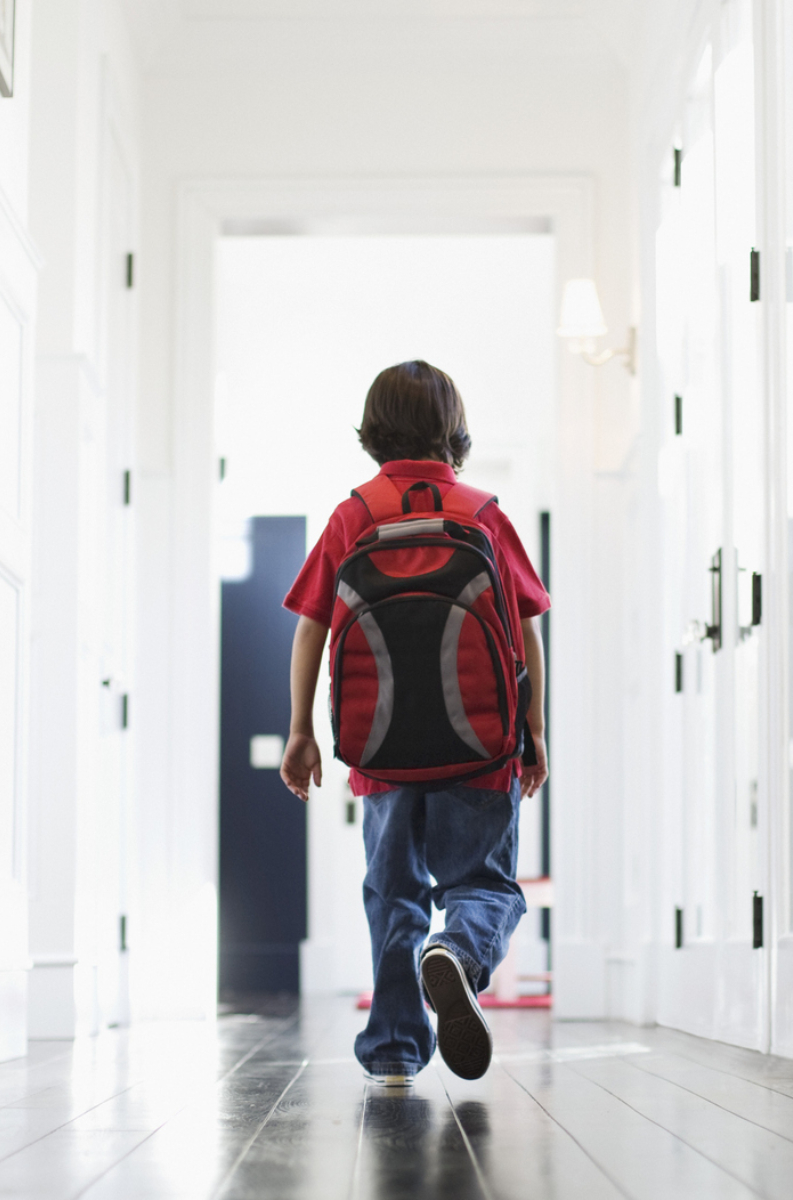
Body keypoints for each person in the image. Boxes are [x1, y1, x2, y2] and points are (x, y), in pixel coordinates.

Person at [279, 360, 550, 1086]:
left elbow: (311, 627)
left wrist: (301, 730)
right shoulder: (483, 513)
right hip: (481, 748)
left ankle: (397, 1050)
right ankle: (457, 952)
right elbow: (524, 630)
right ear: (453, 430)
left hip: (382, 751)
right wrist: (535, 731)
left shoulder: (353, 515)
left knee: (393, 892)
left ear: (372, 430)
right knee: (485, 886)